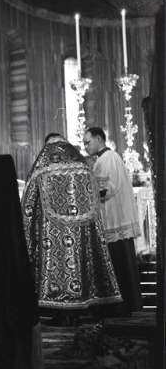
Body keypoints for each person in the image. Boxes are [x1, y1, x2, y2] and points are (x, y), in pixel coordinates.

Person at [21, 133, 122, 321]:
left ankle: (61, 311)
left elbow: (29, 198)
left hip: (52, 230)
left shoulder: (43, 163)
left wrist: (27, 225)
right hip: (82, 228)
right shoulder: (81, 163)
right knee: (83, 259)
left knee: (57, 264)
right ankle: (87, 305)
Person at [83, 127, 142, 314]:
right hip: (117, 220)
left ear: (99, 139)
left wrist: (86, 191)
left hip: (114, 221)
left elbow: (106, 190)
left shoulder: (106, 159)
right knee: (123, 264)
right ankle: (127, 304)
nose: (86, 147)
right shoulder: (109, 157)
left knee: (118, 265)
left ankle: (120, 306)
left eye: (88, 142)